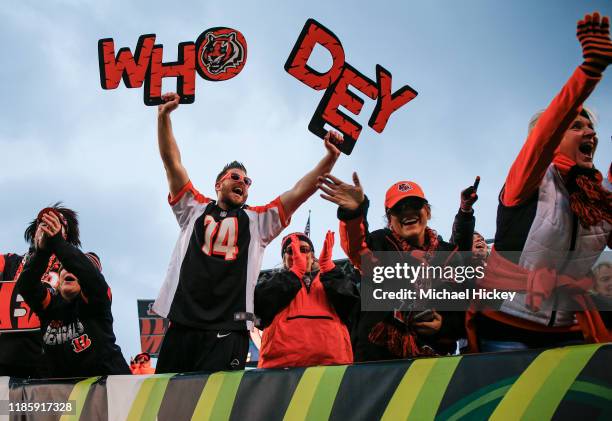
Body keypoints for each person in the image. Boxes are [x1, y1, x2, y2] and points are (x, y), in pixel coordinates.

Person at [152, 92, 342, 373]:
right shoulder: (192, 208)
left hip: (230, 329)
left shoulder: (258, 221)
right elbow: (172, 162)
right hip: (183, 323)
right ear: (219, 184)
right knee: (166, 406)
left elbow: (300, 191)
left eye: (247, 180)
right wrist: (163, 117)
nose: (243, 182)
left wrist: (330, 158)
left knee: (215, 410)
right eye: (235, 177)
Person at [467, 12, 612, 352]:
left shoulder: (602, 199)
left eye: (590, 127)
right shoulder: (529, 179)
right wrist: (588, 74)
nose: (589, 131)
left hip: (568, 332)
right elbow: (544, 137)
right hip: (505, 329)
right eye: (576, 125)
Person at [319, 173, 476, 361]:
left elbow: (465, 307)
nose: (407, 212)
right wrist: (354, 213)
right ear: (389, 218)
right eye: (399, 208)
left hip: (435, 362)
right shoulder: (379, 244)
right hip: (379, 363)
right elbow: (356, 247)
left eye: (414, 205)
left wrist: (444, 325)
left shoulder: (450, 255)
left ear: (428, 211)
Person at [16, 209, 130, 377]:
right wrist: (43, 252)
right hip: (67, 394)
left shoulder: (95, 301)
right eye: (65, 268)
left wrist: (57, 241)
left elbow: (90, 276)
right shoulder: (49, 306)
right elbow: (26, 286)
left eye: (75, 268)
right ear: (59, 278)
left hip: (109, 388)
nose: (70, 270)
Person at [255, 231, 358, 368]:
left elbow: (353, 309)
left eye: (303, 249)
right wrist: (294, 274)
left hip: (333, 366)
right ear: (284, 257)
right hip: (280, 368)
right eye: (290, 250)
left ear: (312, 255)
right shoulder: (270, 280)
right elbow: (257, 308)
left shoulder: (330, 279)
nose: (297, 254)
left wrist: (330, 269)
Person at [0, 204, 79, 378]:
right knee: (6, 406)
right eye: (42, 224)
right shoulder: (10, 261)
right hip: (6, 360)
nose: (47, 227)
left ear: (65, 234)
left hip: (48, 360)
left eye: (54, 224)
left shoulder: (72, 268)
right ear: (34, 231)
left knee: (48, 406)